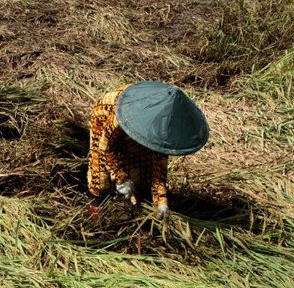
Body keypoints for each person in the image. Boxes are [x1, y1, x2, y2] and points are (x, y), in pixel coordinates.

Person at [87, 81, 209, 216]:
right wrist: (120, 178)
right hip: (109, 116)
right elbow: (106, 149)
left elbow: (158, 165)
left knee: (142, 167)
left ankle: (139, 200)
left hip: (146, 124)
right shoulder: (118, 115)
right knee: (101, 172)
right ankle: (98, 207)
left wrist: (161, 201)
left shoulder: (164, 127)